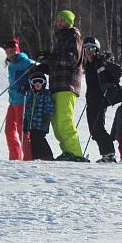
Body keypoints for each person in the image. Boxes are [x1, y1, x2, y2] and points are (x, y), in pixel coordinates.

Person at [41, 10, 86, 162]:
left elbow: (70, 59)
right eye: (58, 20)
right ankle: (67, 152)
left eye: (62, 20)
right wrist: (44, 64)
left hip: (67, 84)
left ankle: (76, 153)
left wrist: (51, 58)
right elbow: (57, 62)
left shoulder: (73, 36)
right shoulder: (61, 39)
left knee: (64, 121)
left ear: (69, 23)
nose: (59, 23)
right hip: (57, 85)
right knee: (56, 123)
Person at [83, 36, 122, 163]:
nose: (89, 51)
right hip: (91, 99)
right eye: (86, 48)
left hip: (100, 99)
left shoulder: (99, 62)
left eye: (92, 48)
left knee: (98, 128)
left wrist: (110, 87)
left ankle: (109, 154)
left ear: (97, 50)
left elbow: (118, 70)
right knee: (94, 130)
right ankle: (107, 154)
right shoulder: (89, 64)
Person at [4, 38, 35, 161]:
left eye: (12, 52)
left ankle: (28, 157)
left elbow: (36, 70)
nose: (10, 54)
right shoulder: (11, 64)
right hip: (13, 101)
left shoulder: (24, 61)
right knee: (9, 130)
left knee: (22, 130)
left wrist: (28, 85)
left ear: (17, 51)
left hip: (22, 100)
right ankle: (15, 157)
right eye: (7, 52)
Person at [23, 71, 55, 160]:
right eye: (35, 82)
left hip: (41, 124)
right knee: (33, 140)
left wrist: (45, 124)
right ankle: (36, 157)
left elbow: (48, 109)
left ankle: (48, 155)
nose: (37, 84)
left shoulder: (46, 94)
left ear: (44, 83)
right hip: (31, 124)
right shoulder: (30, 94)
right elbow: (27, 109)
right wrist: (25, 123)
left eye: (40, 81)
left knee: (39, 139)